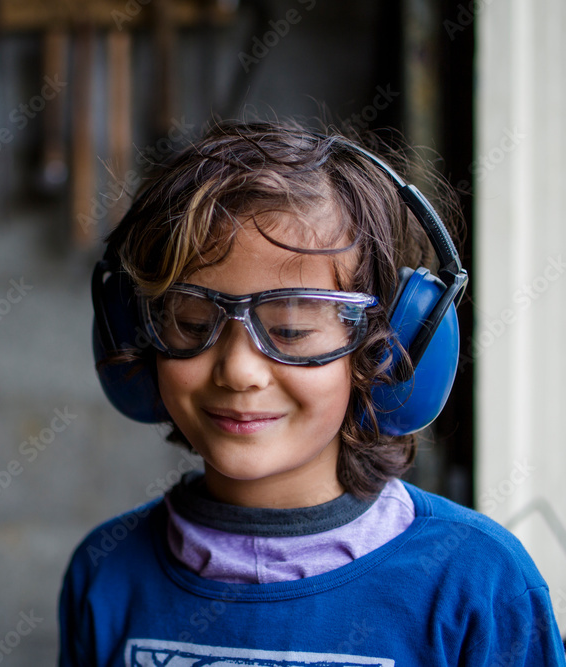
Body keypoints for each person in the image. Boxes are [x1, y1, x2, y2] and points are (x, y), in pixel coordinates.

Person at [58, 120, 566, 665]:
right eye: (189, 321)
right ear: (136, 336)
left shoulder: (477, 582)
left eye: (292, 329)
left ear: (387, 348)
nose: (238, 371)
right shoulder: (105, 572)